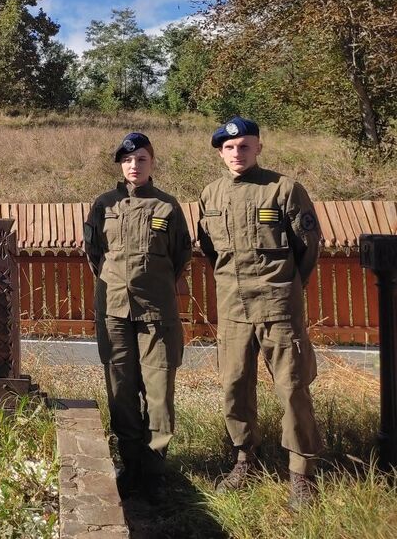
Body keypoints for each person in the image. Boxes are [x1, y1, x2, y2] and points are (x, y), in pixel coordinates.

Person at [197, 116, 323, 509]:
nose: (237, 153)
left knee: (291, 387)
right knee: (234, 385)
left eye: (245, 145)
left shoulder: (284, 189)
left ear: (259, 147)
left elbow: (308, 248)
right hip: (233, 308)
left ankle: (301, 473)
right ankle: (244, 458)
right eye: (230, 147)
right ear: (220, 152)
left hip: (278, 306)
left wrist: (285, 287)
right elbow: (211, 250)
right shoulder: (210, 195)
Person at [83, 132, 191, 499]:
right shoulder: (103, 205)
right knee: (121, 390)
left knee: (159, 392)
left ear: (152, 162)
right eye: (128, 161)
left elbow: (180, 256)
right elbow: (94, 252)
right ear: (121, 165)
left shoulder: (167, 207)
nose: (134, 166)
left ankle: (155, 470)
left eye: (141, 159)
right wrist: (117, 282)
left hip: (156, 311)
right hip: (113, 310)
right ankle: (131, 467)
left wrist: (152, 283)